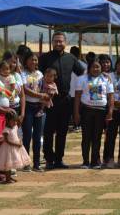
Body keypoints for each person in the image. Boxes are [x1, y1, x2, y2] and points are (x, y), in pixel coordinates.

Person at [39, 32, 84, 169]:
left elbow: (82, 72)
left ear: (65, 42)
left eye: (61, 41)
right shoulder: (45, 58)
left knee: (62, 132)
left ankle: (59, 159)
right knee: (48, 132)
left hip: (65, 100)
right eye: (56, 41)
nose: (58, 43)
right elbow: (38, 76)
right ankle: (48, 159)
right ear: (52, 43)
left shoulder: (71, 58)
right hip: (49, 100)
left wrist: (103, 74)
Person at [74, 58, 114, 169]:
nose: (95, 69)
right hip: (87, 110)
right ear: (89, 68)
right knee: (86, 137)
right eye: (93, 67)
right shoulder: (82, 79)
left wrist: (110, 111)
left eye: (98, 67)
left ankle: (95, 161)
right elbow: (77, 97)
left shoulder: (107, 79)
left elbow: (111, 97)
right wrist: (76, 113)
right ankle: (85, 161)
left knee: (97, 137)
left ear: (101, 68)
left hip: (101, 111)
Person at [21, 52, 48, 172]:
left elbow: (44, 87)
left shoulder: (40, 74)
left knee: (37, 136)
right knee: (27, 136)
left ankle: (36, 164)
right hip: (28, 107)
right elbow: (24, 90)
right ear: (26, 61)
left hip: (39, 107)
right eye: (31, 60)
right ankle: (26, 163)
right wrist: (40, 94)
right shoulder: (22, 74)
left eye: (36, 60)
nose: (34, 62)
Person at [0, 112, 31, 183]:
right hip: (8, 149)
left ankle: (9, 177)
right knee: (8, 164)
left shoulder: (15, 127)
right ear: (8, 120)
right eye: (13, 121)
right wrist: (16, 144)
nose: (15, 122)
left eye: (16, 121)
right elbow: (7, 141)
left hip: (15, 147)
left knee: (11, 164)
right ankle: (7, 179)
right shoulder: (6, 130)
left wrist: (20, 141)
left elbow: (18, 134)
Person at [2, 51, 26, 126]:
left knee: (14, 135)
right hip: (3, 110)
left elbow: (22, 95)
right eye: (11, 62)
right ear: (4, 61)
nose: (13, 65)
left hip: (16, 109)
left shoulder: (17, 76)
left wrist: (22, 114)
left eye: (15, 63)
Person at [69, 46, 87, 133]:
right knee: (78, 109)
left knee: (74, 110)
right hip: (79, 91)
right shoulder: (84, 65)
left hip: (71, 91)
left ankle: (76, 125)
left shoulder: (68, 62)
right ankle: (78, 125)